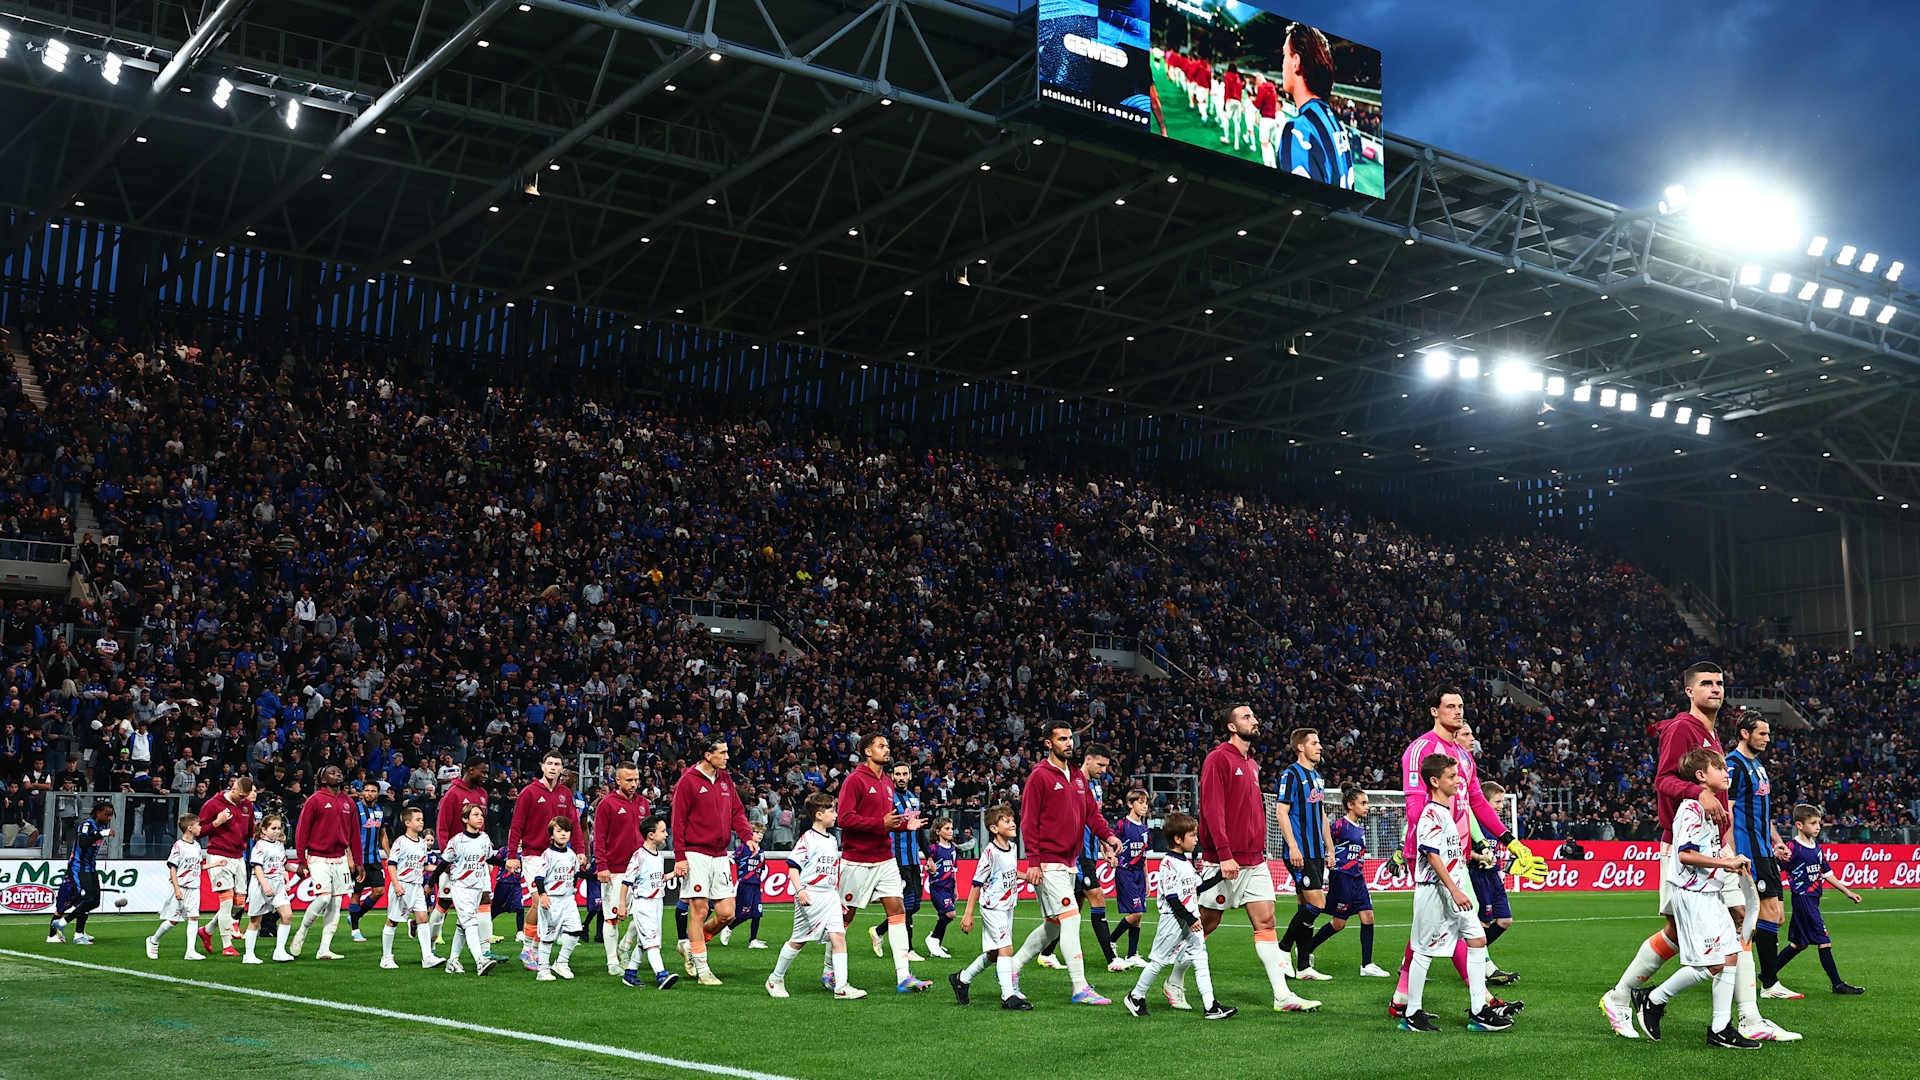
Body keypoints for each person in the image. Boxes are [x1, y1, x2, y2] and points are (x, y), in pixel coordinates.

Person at [1600, 662, 1796, 1042]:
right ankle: (1621, 996)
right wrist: (1699, 792)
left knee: (1740, 920)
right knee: (1679, 932)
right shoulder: (1682, 728)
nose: (1715, 689)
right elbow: (1663, 779)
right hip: (1684, 847)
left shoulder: (1711, 733)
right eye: (1706, 683)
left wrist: (1728, 844)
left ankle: (1748, 1018)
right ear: (1689, 690)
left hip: (1715, 847)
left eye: (1719, 683)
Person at [1392, 686, 1543, 1016]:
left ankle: (1403, 999)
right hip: (1433, 854)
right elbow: (1415, 807)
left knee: (1433, 929)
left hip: (1456, 854)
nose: (1458, 711)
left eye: (1460, 705)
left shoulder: (1463, 756)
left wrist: (1510, 840)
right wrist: (1432, 843)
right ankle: (1481, 1002)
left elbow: (1477, 802)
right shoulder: (1420, 750)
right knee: (1463, 926)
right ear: (1434, 711)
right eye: (1450, 706)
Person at [1629, 748, 1761, 1049]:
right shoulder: (1691, 808)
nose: (1726, 773)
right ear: (1701, 775)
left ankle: (1720, 1029)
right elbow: (1686, 855)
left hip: (1711, 892)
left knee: (1731, 956)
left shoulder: (1712, 808)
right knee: (1713, 964)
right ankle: (1653, 999)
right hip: (1694, 894)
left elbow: (1708, 848)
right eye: (1720, 768)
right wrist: (1725, 863)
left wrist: (1730, 860)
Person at [1191, 704, 1318, 1013]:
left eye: (1253, 716)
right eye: (1246, 717)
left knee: (1266, 921)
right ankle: (1174, 980)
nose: (1255, 720)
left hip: (1255, 859)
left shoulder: (1251, 763)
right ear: (1232, 727)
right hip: (1224, 860)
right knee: (1207, 923)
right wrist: (1224, 854)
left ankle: (1282, 995)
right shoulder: (1218, 759)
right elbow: (1212, 809)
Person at [1007, 722, 1117, 1005]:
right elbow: (1028, 822)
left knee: (1053, 926)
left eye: (1070, 738)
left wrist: (1107, 836)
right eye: (1062, 739)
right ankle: (1080, 987)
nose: (1069, 743)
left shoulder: (1078, 777)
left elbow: (1091, 814)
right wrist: (1033, 861)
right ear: (1049, 743)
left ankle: (1011, 968)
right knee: (1071, 917)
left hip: (1070, 863)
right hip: (1047, 863)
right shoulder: (1039, 776)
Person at [1402, 755, 1510, 1033]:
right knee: (1423, 951)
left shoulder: (1445, 811)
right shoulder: (1430, 813)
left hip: (1454, 890)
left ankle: (1479, 1010)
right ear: (1435, 781)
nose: (1458, 780)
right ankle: (1412, 1013)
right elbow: (1431, 854)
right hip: (1434, 891)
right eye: (1451, 776)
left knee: (1477, 939)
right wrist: (1453, 889)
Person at [836, 732, 930, 993]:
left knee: (898, 910)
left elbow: (886, 822)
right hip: (857, 860)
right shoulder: (854, 780)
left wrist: (903, 826)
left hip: (885, 858)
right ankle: (830, 971)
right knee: (844, 917)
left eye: (887, 745)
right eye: (881, 746)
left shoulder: (887, 782)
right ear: (867, 751)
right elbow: (844, 819)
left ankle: (904, 976)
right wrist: (881, 823)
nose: (886, 749)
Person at [1122, 811, 1235, 1020]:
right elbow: (1172, 898)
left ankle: (1210, 1005)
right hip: (1173, 919)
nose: (1196, 839)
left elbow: (1198, 887)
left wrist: (1220, 876)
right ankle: (1136, 996)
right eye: (1192, 835)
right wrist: (1191, 919)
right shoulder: (1168, 863)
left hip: (1190, 918)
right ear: (1177, 839)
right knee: (1158, 961)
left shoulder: (1184, 862)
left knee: (1201, 958)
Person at [668, 737, 757, 984]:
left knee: (727, 914)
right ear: (708, 755)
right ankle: (703, 969)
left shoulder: (726, 779)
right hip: (695, 853)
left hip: (720, 854)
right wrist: (679, 857)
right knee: (699, 910)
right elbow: (678, 821)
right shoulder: (688, 781)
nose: (727, 757)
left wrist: (747, 836)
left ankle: (691, 946)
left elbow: (737, 811)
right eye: (723, 752)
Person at [766, 793, 865, 1000]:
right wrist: (800, 890)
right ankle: (775, 978)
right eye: (832, 811)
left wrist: (837, 896)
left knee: (838, 936)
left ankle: (841, 987)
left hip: (829, 896)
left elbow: (832, 871)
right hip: (810, 894)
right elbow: (793, 867)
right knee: (799, 940)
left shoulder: (832, 839)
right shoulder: (808, 839)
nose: (835, 815)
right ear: (819, 815)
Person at [1727, 717, 1794, 999]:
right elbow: (1727, 812)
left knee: (1776, 917)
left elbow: (1763, 814)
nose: (1768, 739)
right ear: (1745, 733)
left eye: (1768, 733)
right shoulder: (1733, 765)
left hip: (1765, 851)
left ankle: (1732, 963)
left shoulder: (1758, 766)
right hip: (1749, 851)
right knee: (1766, 914)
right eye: (1762, 733)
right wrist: (1732, 853)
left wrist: (1777, 842)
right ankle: (1769, 983)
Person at [1774, 804, 1865, 995]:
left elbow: (1827, 874)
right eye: (1813, 823)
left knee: (1799, 944)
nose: (1818, 827)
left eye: (1819, 823)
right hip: (1803, 899)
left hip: (1813, 899)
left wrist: (1847, 892)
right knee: (1824, 940)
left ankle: (1767, 973)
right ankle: (1837, 984)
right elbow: (1776, 868)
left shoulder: (1817, 848)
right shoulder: (1792, 848)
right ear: (1799, 825)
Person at [506, 751, 581, 969]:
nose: (553, 767)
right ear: (542, 766)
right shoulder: (529, 792)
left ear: (561, 769)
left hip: (558, 856)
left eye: (557, 764)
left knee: (550, 906)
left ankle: (539, 948)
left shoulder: (565, 794)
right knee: (539, 901)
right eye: (549, 763)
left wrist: (580, 850)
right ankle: (528, 948)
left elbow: (574, 824)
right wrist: (512, 855)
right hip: (534, 855)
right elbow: (516, 825)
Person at [948, 803, 1027, 1009]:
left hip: (1007, 906)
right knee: (1006, 949)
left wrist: (1027, 876)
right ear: (994, 828)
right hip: (993, 907)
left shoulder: (1013, 848)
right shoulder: (990, 852)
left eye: (1012, 820)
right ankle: (1008, 996)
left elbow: (1009, 873)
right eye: (1006, 821)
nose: (1012, 823)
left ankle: (962, 979)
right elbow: (976, 884)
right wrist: (968, 914)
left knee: (994, 954)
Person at [1308, 784, 1388, 977]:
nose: (1367, 807)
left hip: (1357, 878)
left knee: (1368, 916)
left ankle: (1367, 965)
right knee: (1339, 923)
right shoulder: (1339, 826)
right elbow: (1324, 841)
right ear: (1351, 805)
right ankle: (1306, 948)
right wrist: (1327, 861)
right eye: (1363, 803)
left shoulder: (1360, 829)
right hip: (1342, 877)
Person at [1275, 727, 1333, 980]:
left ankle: (1304, 966)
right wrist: (1293, 846)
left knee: (1305, 906)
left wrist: (1330, 847)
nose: (1320, 747)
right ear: (1301, 747)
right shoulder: (1291, 774)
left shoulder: (1317, 778)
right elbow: (1281, 811)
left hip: (1316, 851)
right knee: (1318, 904)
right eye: (1314, 743)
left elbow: (1321, 814)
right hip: (1300, 851)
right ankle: (1282, 949)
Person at [1275, 22, 1355, 188]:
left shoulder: (1298, 130)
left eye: (1284, 55)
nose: (1282, 64)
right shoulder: (1337, 126)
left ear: (1296, 62)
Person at [291, 765, 359, 960]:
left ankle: (324, 949)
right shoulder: (315, 800)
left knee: (336, 903)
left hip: (340, 858)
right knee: (323, 899)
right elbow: (301, 831)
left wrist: (358, 861)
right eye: (332, 772)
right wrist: (301, 860)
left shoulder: (349, 802)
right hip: (318, 857)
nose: (338, 774)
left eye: (339, 771)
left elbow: (355, 835)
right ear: (323, 779)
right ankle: (302, 931)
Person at [593, 763, 649, 974]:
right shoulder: (607, 804)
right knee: (612, 917)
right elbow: (599, 838)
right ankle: (612, 962)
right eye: (629, 780)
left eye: (636, 779)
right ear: (617, 781)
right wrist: (601, 866)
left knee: (643, 916)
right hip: (615, 870)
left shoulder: (643, 803)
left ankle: (624, 947)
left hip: (640, 871)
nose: (634, 784)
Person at [430, 760, 489, 954]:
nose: (485, 775)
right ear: (470, 770)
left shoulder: (483, 794)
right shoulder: (452, 794)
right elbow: (442, 827)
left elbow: (481, 826)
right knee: (444, 902)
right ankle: (429, 946)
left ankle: (485, 949)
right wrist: (447, 858)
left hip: (477, 861)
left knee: (484, 899)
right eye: (483, 772)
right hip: (455, 861)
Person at [617, 814, 681, 990]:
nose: (666, 834)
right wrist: (622, 905)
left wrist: (674, 874)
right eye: (663, 831)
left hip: (657, 903)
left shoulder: (658, 856)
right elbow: (626, 882)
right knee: (652, 942)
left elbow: (658, 878)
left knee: (644, 942)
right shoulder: (639, 856)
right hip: (644, 904)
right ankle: (661, 975)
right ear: (651, 835)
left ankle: (630, 974)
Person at [437, 802, 502, 976]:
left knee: (462, 924)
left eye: (481, 815)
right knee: (472, 923)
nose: (480, 818)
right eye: (475, 815)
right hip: (461, 887)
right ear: (465, 819)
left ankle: (453, 960)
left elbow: (490, 858)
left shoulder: (484, 838)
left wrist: (506, 864)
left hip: (477, 887)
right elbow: (443, 862)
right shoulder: (457, 841)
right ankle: (480, 960)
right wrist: (431, 883)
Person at [872, 762, 926, 962]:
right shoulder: (888, 799)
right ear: (892, 776)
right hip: (896, 859)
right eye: (898, 774)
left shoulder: (913, 798)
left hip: (913, 858)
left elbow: (918, 830)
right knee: (907, 903)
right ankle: (908, 949)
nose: (901, 777)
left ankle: (878, 931)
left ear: (910, 776)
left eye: (904, 774)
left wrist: (928, 855)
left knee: (916, 904)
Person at [1467, 780, 1519, 985]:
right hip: (1478, 877)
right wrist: (1480, 858)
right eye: (1497, 801)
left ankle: (1473, 954)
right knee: (1483, 923)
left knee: (1505, 920)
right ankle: (1484, 967)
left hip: (1494, 877)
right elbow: (1464, 851)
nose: (1501, 805)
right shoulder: (1475, 824)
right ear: (1484, 802)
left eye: (1502, 801)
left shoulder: (1496, 825)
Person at [198, 776, 256, 956]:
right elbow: (198, 831)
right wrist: (217, 822)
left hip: (238, 856)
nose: (243, 800)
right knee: (227, 900)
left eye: (245, 797)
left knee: (239, 903)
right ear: (233, 789)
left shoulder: (247, 805)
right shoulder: (213, 804)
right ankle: (227, 945)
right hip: (218, 855)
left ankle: (207, 930)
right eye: (241, 796)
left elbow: (250, 831)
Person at [380, 806, 443, 970]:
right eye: (418, 819)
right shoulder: (400, 842)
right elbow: (391, 864)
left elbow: (424, 866)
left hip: (417, 886)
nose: (421, 822)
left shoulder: (422, 843)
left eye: (422, 819)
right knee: (392, 921)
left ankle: (427, 957)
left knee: (423, 919)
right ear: (407, 823)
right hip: (403, 885)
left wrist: (441, 868)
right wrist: (396, 885)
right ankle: (386, 958)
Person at [49, 800, 112, 945]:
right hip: (78, 868)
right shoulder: (87, 825)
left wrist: (101, 832)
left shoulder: (101, 827)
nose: (109, 818)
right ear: (98, 813)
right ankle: (72, 934)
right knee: (81, 899)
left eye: (110, 815)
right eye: (106, 814)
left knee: (94, 901)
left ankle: (70, 927)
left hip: (90, 868)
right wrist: (101, 833)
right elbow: (83, 843)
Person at [147, 812, 205, 960]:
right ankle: (153, 940)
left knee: (194, 917)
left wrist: (216, 864)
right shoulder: (179, 845)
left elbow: (198, 867)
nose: (200, 827)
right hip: (182, 887)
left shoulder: (197, 846)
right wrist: (177, 888)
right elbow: (173, 868)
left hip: (194, 887)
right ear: (190, 828)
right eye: (198, 825)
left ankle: (190, 951)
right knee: (173, 921)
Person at [532, 819, 584, 982]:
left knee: (576, 930)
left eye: (566, 831)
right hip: (551, 899)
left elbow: (576, 874)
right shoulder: (547, 855)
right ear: (551, 835)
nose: (563, 834)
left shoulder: (571, 854)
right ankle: (543, 970)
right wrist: (543, 895)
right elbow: (539, 877)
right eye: (559, 831)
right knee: (548, 936)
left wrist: (597, 877)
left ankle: (561, 962)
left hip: (568, 899)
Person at [243, 813, 295, 964]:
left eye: (279, 828)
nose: (277, 831)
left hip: (278, 885)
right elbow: (257, 868)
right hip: (261, 885)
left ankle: (279, 951)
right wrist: (265, 885)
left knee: (287, 915)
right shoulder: (260, 846)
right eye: (273, 828)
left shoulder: (279, 845)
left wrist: (299, 870)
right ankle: (248, 955)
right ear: (264, 830)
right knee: (255, 920)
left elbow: (283, 864)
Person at [1108, 788, 1152, 967]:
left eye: (1146, 803)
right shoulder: (1122, 825)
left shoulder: (1145, 829)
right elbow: (1108, 840)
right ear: (1130, 804)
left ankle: (1132, 954)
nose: (1144, 806)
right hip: (1125, 872)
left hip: (1139, 874)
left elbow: (1144, 856)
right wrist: (1110, 855)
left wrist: (1147, 879)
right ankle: (1110, 941)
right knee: (1136, 912)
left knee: (1138, 915)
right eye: (1140, 802)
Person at [348, 779, 387, 943]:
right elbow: (348, 835)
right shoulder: (355, 809)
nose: (370, 793)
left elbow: (382, 833)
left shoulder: (380, 810)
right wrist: (350, 858)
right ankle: (355, 930)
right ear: (362, 792)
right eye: (367, 790)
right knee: (357, 892)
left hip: (374, 859)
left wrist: (389, 855)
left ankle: (356, 916)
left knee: (379, 890)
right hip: (358, 860)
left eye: (373, 791)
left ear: (377, 794)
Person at [721, 824, 767, 948]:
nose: (760, 835)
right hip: (745, 885)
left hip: (756, 886)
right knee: (744, 914)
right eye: (757, 832)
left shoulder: (761, 852)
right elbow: (731, 860)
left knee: (757, 913)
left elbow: (761, 869)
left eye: (762, 833)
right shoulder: (743, 848)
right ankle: (729, 928)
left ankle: (753, 940)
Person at [923, 817, 959, 959]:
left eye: (951, 828)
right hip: (938, 887)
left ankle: (936, 944)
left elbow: (954, 869)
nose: (951, 831)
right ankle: (933, 939)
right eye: (947, 828)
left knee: (942, 916)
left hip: (949, 887)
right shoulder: (933, 848)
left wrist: (955, 889)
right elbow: (928, 865)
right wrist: (928, 867)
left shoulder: (953, 848)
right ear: (938, 832)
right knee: (951, 914)